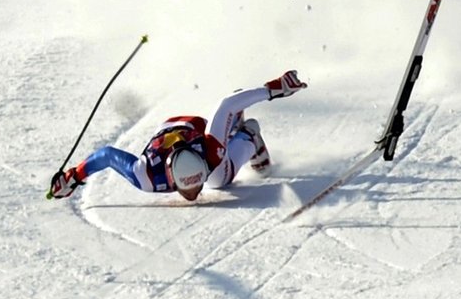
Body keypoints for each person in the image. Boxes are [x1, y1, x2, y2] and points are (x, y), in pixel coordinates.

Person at [49, 70, 307, 202]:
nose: (194, 194)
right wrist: (73, 176)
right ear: (171, 178)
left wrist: (274, 89)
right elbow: (106, 155)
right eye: (189, 187)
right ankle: (242, 132)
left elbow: (225, 105)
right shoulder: (147, 175)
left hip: (195, 127)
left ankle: (249, 135)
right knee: (215, 175)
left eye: (195, 185)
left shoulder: (208, 152)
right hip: (172, 127)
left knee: (218, 180)